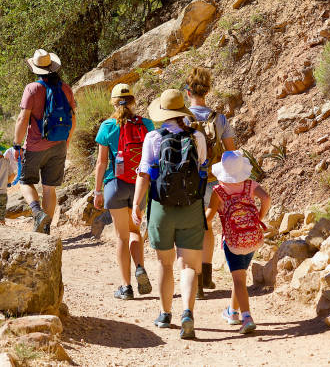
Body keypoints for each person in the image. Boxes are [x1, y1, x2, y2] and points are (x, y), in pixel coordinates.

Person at [132, 88, 207, 340]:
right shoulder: (197, 136)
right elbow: (202, 168)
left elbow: (144, 175)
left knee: (165, 263)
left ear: (163, 113)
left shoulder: (153, 137)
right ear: (181, 111)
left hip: (161, 207)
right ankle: (187, 312)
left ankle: (165, 314)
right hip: (191, 207)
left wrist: (136, 206)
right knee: (188, 265)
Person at [93, 83, 155, 300]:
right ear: (133, 101)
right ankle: (139, 267)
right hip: (140, 185)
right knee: (134, 232)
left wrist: (97, 191)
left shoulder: (107, 126)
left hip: (114, 184)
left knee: (121, 237)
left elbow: (101, 163)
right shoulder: (147, 124)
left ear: (112, 102)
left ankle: (126, 287)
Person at [184, 67, 236, 298]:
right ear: (207, 91)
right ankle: (207, 276)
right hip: (214, 180)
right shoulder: (220, 119)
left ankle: (195, 282)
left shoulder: (182, 119)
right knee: (207, 227)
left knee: (190, 228)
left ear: (188, 92)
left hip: (187, 181)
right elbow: (231, 153)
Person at [205, 151, 270, 334]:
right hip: (252, 238)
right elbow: (266, 198)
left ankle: (247, 317)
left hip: (233, 241)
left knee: (238, 279)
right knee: (240, 276)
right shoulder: (249, 185)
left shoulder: (219, 191)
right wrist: (258, 217)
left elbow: (208, 218)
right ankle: (232, 312)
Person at [13, 49, 76, 234]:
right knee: (49, 189)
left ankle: (37, 213)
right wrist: (67, 142)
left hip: (34, 146)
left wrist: (17, 144)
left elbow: (22, 119)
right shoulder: (66, 88)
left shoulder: (32, 88)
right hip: (59, 145)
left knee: (25, 181)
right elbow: (73, 119)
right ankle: (45, 229)